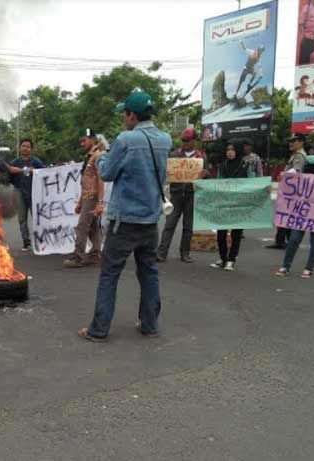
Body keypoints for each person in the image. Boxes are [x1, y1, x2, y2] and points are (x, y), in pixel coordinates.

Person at [78, 91, 170, 341]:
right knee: (149, 273)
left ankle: (98, 330)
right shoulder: (165, 139)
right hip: (150, 220)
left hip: (125, 221)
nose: (122, 117)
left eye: (124, 113)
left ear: (132, 115)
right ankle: (150, 325)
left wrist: (100, 156)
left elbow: (107, 173)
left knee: (109, 274)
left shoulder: (126, 139)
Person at [275, 142, 314, 278]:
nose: (311, 154)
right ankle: (285, 266)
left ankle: (309, 268)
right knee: (294, 239)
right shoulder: (305, 167)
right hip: (303, 209)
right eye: (310, 151)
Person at [156, 128, 209, 263]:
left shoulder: (201, 157)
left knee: (188, 226)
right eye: (183, 140)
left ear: (194, 141)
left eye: (187, 140)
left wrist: (205, 175)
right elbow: (165, 174)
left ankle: (185, 253)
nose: (185, 143)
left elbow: (207, 178)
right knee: (169, 224)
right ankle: (161, 253)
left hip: (192, 195)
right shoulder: (174, 155)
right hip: (176, 194)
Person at [209, 142, 256, 271]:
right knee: (221, 232)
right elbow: (218, 182)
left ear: (238, 151)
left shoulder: (245, 165)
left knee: (236, 233)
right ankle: (222, 258)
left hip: (239, 203)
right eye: (228, 150)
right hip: (225, 202)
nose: (230, 152)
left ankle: (231, 259)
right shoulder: (222, 165)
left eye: (233, 150)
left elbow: (252, 181)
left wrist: (263, 188)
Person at [64, 129, 105, 268]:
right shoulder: (89, 156)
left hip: (93, 197)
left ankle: (78, 257)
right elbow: (85, 181)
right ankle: (95, 255)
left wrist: (99, 202)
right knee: (93, 227)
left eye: (84, 140)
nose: (82, 143)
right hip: (87, 197)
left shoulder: (98, 156)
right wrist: (80, 202)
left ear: (92, 139)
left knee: (82, 226)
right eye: (80, 141)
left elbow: (100, 180)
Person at [266, 134, 308, 250]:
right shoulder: (295, 155)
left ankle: (286, 241)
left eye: (294, 141)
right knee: (286, 216)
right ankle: (284, 241)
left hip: (292, 192)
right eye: (290, 141)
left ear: (301, 142)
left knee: (287, 216)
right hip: (290, 190)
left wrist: (284, 175)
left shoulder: (299, 155)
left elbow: (296, 170)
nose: (291, 143)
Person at [9, 139, 45, 251]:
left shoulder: (36, 162)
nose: (25, 148)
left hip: (34, 192)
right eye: (23, 146)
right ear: (19, 148)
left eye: (28, 146)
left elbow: (46, 172)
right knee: (22, 219)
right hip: (19, 192)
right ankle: (26, 242)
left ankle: (40, 241)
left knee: (37, 218)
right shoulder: (15, 162)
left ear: (31, 149)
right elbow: (8, 175)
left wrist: (36, 171)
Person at [299, 0, 314, 65]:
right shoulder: (306, 7)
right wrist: (303, 35)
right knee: (304, 61)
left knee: (311, 61)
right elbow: (301, 23)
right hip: (307, 39)